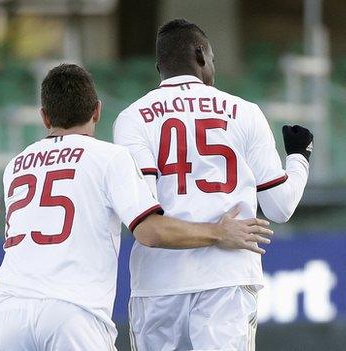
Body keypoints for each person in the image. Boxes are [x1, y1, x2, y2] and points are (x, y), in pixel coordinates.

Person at [0, 63, 273, 351]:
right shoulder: (109, 157)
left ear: (45, 117)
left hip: (7, 312)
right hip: (72, 311)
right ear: (96, 111)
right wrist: (219, 232)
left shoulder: (16, 165)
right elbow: (150, 231)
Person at [114, 18, 313, 351]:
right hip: (228, 275)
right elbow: (280, 207)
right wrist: (298, 158)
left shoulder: (133, 117)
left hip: (158, 280)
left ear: (159, 66)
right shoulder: (245, 112)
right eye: (213, 59)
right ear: (200, 54)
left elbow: (142, 219)